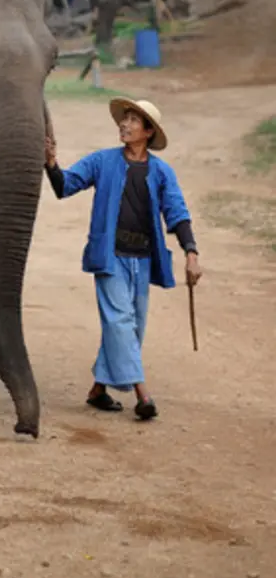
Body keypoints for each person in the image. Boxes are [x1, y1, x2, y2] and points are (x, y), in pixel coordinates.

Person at [45, 97, 202, 421]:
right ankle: (142, 393)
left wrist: (191, 252)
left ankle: (98, 389)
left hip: (143, 259)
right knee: (120, 321)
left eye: (133, 120)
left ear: (147, 131)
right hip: (110, 256)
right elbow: (66, 186)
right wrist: (51, 163)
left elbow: (177, 213)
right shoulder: (102, 161)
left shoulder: (161, 172)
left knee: (131, 328)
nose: (124, 124)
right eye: (124, 119)